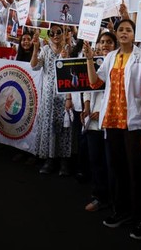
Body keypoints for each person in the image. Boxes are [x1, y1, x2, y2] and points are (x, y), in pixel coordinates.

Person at [84, 19, 141, 240]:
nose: (124, 33)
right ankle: (122, 211)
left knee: (136, 173)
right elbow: (95, 83)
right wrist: (88, 60)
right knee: (118, 169)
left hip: (133, 123)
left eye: (128, 30)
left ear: (135, 34)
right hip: (112, 121)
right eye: (121, 30)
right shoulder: (110, 56)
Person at [30, 25, 73, 175]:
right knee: (49, 126)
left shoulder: (70, 49)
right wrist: (35, 48)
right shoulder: (46, 50)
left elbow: (71, 73)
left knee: (64, 128)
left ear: (63, 33)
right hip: (48, 97)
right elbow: (34, 66)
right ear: (48, 35)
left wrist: (68, 97)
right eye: (52, 33)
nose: (55, 35)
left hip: (64, 96)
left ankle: (64, 162)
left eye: (58, 32)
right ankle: (50, 160)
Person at [81, 31, 116, 212]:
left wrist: (100, 111)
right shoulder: (92, 62)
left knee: (111, 163)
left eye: (109, 42)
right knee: (96, 161)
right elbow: (88, 86)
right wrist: (87, 106)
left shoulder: (117, 63)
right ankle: (99, 196)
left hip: (110, 122)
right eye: (102, 42)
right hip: (93, 123)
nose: (105, 45)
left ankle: (114, 198)